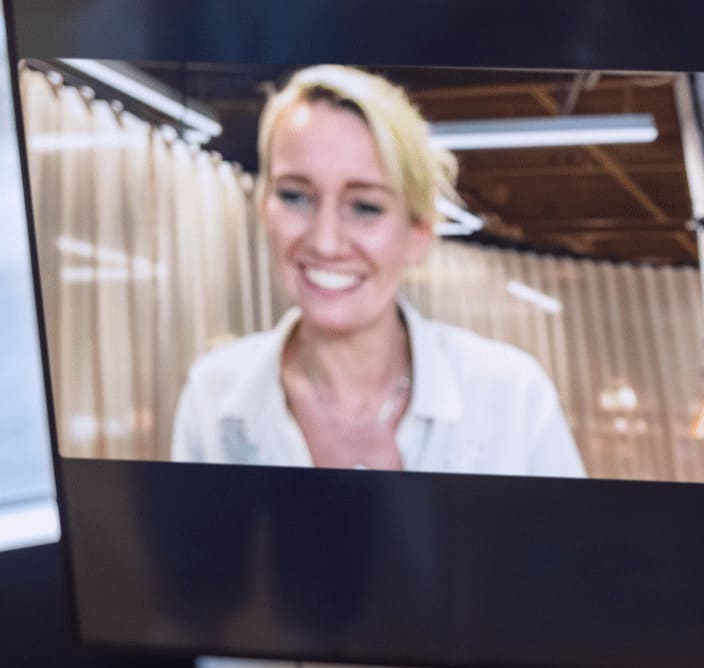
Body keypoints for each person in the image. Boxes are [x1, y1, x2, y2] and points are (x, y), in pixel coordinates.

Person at [170, 64, 585, 478]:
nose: (326, 242)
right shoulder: (212, 399)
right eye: (296, 196)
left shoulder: (512, 400)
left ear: (418, 233)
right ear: (265, 209)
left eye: (365, 206)